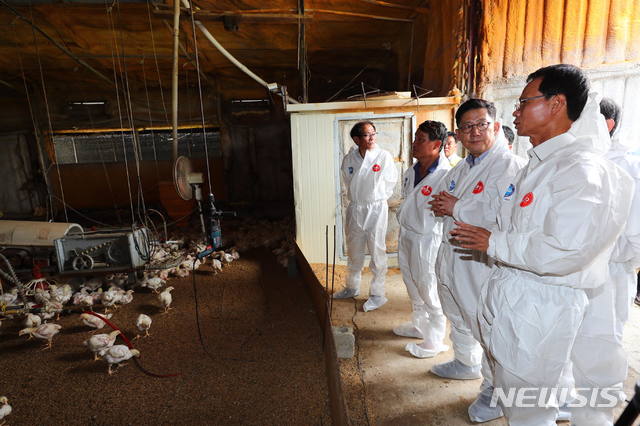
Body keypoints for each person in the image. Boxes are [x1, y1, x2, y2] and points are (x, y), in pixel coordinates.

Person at [451, 64, 634, 425]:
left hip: (543, 303)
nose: (516, 112)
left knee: (530, 408)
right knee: (521, 402)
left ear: (556, 104)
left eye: (523, 102)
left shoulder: (580, 169)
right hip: (521, 298)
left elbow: (567, 249)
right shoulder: (539, 164)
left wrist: (495, 242)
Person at [429, 99, 525, 422]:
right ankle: (466, 364)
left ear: (496, 127)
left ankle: (496, 392)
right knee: (464, 318)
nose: (474, 132)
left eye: (481, 124)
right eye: (467, 127)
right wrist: (449, 205)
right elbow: (442, 199)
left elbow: (504, 217)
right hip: (457, 258)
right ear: (458, 132)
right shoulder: (463, 167)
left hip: (483, 262)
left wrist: (457, 207)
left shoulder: (508, 166)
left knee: (489, 328)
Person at [393, 120, 451, 358]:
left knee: (428, 287)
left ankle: (434, 340)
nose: (414, 144)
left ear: (437, 145)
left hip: (427, 238)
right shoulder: (412, 171)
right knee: (411, 282)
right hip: (407, 234)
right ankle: (419, 325)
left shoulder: (446, 175)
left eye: (420, 139)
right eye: (415, 138)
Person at [333, 121, 398, 312]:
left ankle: (377, 294)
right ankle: (352, 287)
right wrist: (361, 199)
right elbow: (348, 181)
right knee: (354, 249)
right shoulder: (349, 159)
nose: (372, 138)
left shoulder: (383, 156)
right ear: (356, 139)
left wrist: (378, 198)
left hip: (376, 207)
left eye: (373, 134)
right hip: (356, 208)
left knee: (377, 250)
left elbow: (391, 180)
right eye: (367, 135)